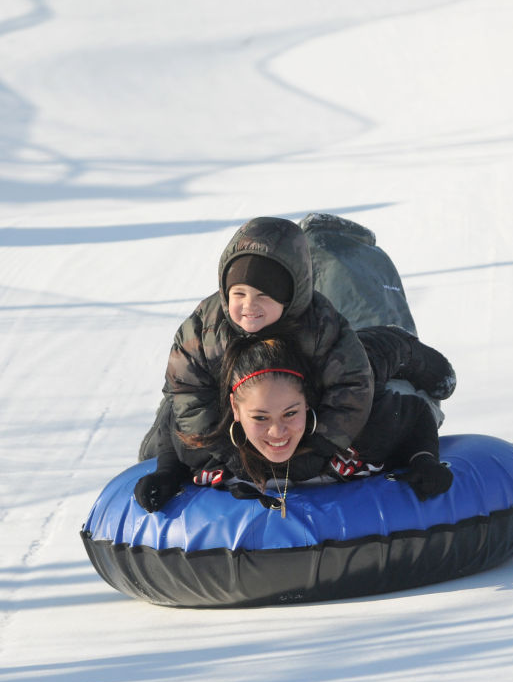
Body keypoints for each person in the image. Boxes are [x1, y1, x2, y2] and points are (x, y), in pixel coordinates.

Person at [141, 216, 376, 482]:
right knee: (165, 436)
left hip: (297, 420)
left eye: (264, 295)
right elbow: (187, 391)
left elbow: (352, 386)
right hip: (232, 420)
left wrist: (321, 445)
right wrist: (225, 453)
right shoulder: (202, 329)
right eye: (238, 294)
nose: (249, 306)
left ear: (289, 298)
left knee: (375, 417)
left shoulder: (320, 326)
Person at [134, 335, 453, 513]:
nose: (277, 432)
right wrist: (165, 474)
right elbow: (175, 432)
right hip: (229, 373)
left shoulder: (355, 418)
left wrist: (424, 459)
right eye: (260, 418)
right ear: (235, 411)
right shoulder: (209, 432)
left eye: (290, 414)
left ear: (308, 403)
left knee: (395, 366)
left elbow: (416, 416)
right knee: (152, 444)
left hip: (366, 351)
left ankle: (345, 253)